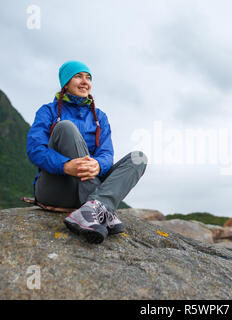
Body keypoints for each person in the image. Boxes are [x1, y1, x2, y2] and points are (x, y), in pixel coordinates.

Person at [26, 60, 147, 244]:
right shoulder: (48, 111)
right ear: (65, 83)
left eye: (88, 78)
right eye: (78, 76)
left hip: (90, 190)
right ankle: (102, 208)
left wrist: (98, 165)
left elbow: (107, 154)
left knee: (139, 158)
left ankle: (93, 207)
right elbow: (35, 150)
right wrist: (65, 166)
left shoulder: (100, 117)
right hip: (58, 188)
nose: (85, 82)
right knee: (65, 127)